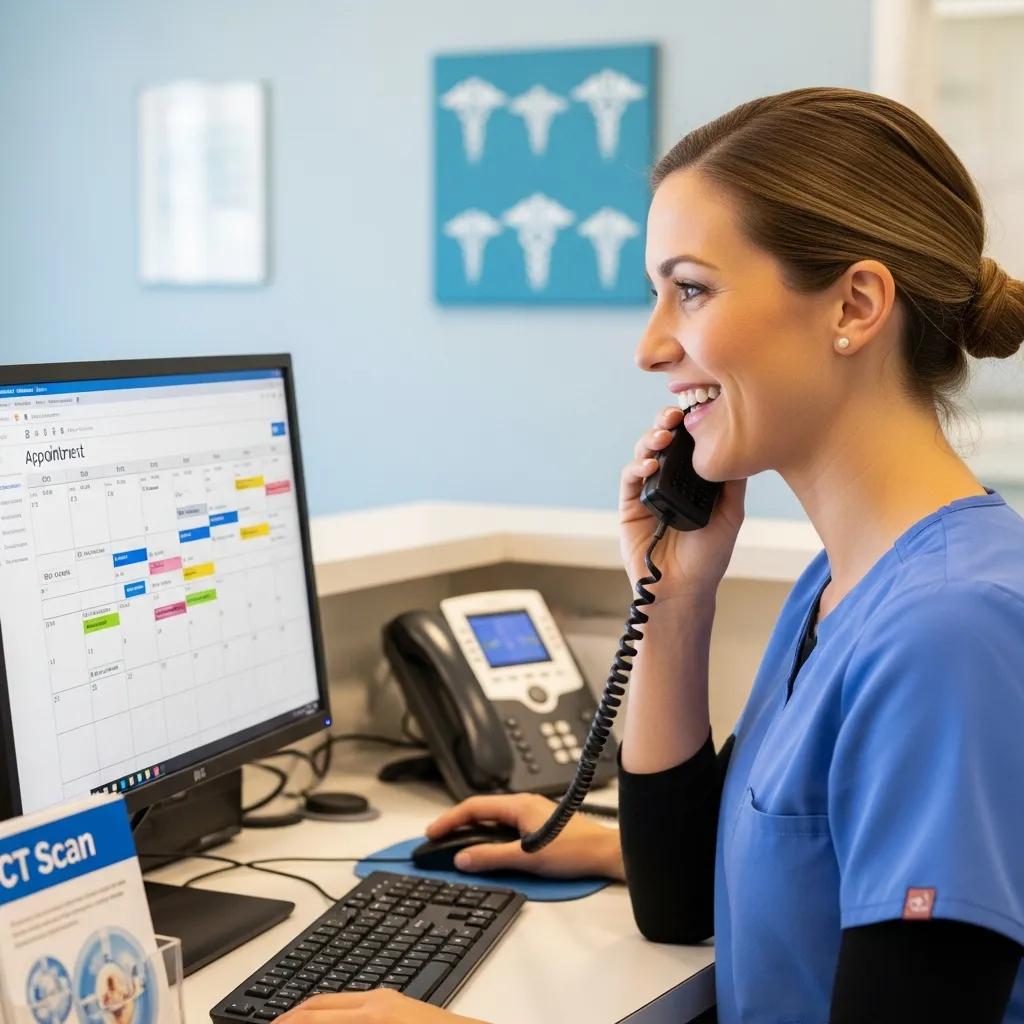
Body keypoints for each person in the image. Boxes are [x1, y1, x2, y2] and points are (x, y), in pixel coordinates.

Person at [278, 86, 1024, 1023]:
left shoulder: (951, 631)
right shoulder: (846, 584)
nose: (649, 346)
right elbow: (679, 908)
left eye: (692, 289)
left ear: (857, 304)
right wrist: (671, 605)